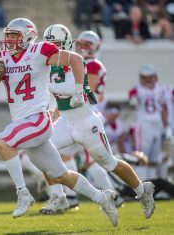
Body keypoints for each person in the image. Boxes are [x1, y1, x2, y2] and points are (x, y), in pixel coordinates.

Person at [0, 18, 119, 226]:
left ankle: (23, 193)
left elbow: (76, 60)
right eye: (8, 35)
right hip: (25, 123)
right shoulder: (4, 58)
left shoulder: (39, 51)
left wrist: (79, 89)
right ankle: (102, 198)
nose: (9, 39)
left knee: (2, 142)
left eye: (14, 35)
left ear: (28, 36)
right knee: (61, 175)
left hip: (38, 119)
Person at [39, 25, 155, 219]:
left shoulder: (77, 61)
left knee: (108, 163)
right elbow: (53, 94)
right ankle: (60, 196)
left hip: (87, 122)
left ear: (67, 43)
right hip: (66, 121)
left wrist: (46, 85)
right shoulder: (51, 64)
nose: (53, 48)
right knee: (41, 149)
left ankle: (142, 190)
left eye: (57, 44)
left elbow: (71, 88)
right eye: (50, 44)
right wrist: (50, 111)